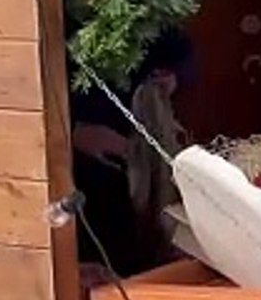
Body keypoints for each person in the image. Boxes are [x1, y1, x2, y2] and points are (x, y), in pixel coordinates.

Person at [70, 29, 195, 276]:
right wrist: (70, 132)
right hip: (83, 155)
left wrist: (173, 73)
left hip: (137, 124)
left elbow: (178, 46)